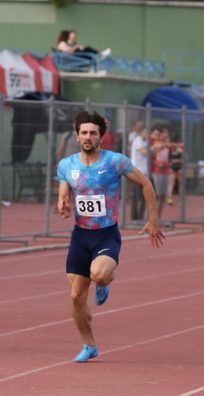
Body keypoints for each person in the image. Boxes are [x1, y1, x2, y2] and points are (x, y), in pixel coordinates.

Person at [57, 110, 164, 363]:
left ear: (101, 137)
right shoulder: (66, 165)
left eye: (93, 133)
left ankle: (103, 284)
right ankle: (90, 345)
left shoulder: (115, 161)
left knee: (100, 274)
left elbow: (146, 183)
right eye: (83, 132)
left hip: (106, 235)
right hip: (80, 236)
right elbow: (63, 193)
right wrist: (63, 203)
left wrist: (153, 219)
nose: (88, 136)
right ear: (77, 135)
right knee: (75, 298)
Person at [130, 123, 149, 221]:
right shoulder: (138, 141)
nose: (147, 134)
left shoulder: (146, 142)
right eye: (146, 132)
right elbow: (144, 151)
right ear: (141, 132)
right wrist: (155, 148)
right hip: (137, 172)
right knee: (137, 197)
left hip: (145, 172)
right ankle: (135, 218)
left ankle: (140, 217)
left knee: (145, 197)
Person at [167, 131, 184, 206]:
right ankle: (180, 201)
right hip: (178, 165)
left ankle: (170, 199)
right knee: (180, 184)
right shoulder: (179, 148)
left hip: (173, 165)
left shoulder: (171, 148)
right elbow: (185, 157)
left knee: (172, 184)